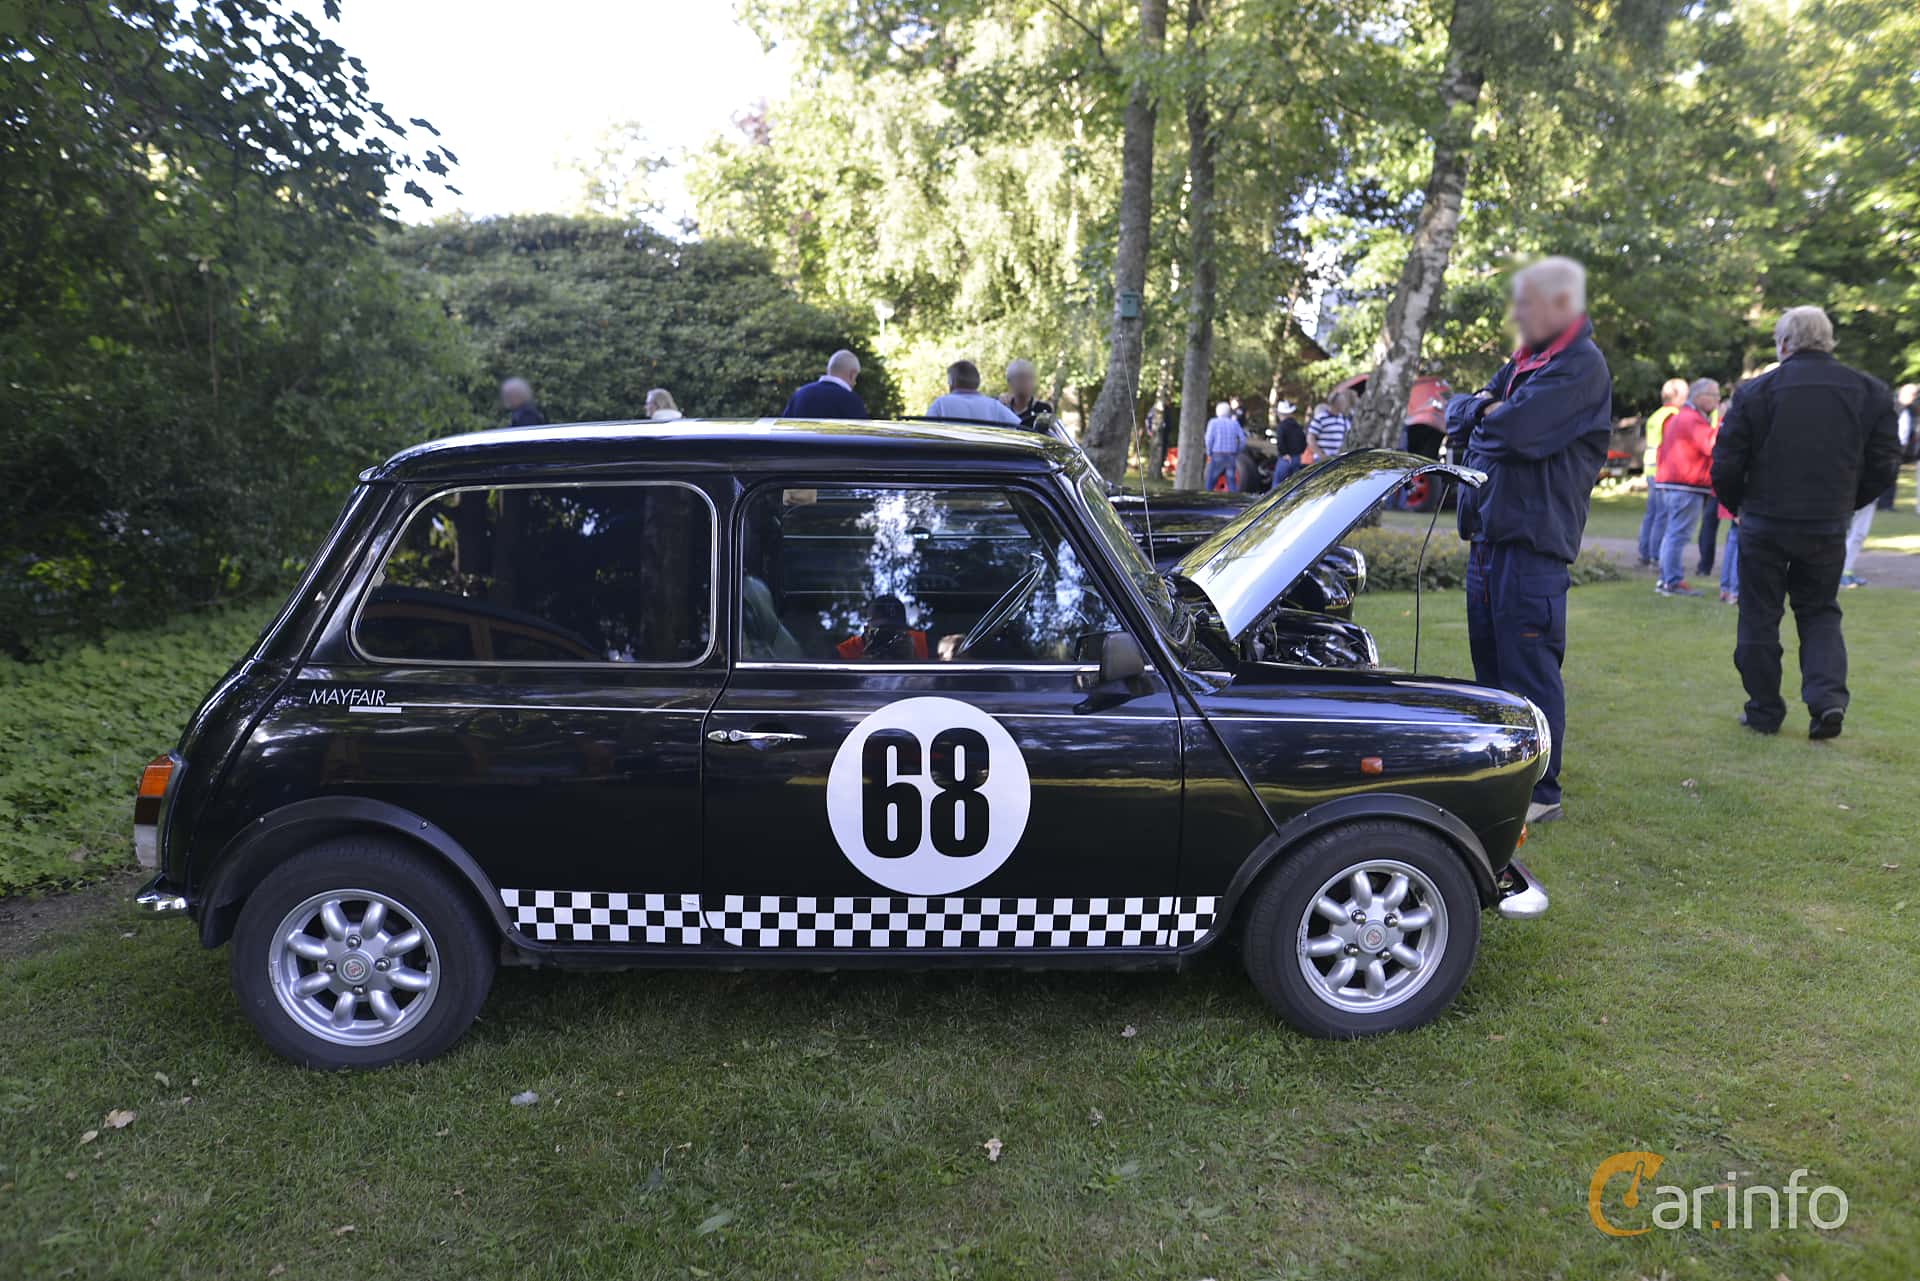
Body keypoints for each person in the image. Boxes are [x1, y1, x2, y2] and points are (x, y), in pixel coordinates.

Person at [1445, 256, 1611, 825]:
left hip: (1532, 544)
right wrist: (1483, 410)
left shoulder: (1579, 365)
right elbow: (1458, 413)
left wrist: (1487, 414)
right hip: (1489, 538)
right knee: (1490, 672)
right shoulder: (1525, 360)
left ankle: (1542, 792)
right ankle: (1501, 776)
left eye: (1525, 303)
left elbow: (1515, 431)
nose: (1516, 314)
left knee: (1529, 671)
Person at [1710, 305, 1900, 739]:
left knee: (1759, 614)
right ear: (1829, 340)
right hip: (1825, 523)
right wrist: (1848, 502)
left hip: (1764, 521)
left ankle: (1763, 709)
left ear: (1783, 344)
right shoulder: (1868, 391)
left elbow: (1726, 462)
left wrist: (1737, 504)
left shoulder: (1757, 392)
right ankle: (1827, 699)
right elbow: (1886, 462)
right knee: (1819, 612)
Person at [1651, 378, 1720, 597]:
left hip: (1674, 483)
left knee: (1673, 533)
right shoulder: (1692, 420)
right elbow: (1712, 445)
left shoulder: (1682, 417)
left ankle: (1667, 579)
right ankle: (1671, 580)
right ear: (1700, 397)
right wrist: (1722, 422)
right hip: (1686, 485)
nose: (1718, 401)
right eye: (1715, 396)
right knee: (1678, 534)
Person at [1636, 378, 1689, 566]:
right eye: (1685, 393)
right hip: (1661, 468)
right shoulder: (1673, 415)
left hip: (1650, 467)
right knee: (1662, 514)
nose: (1687, 397)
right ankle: (1656, 554)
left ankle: (1644, 552)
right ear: (1676, 396)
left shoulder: (1656, 415)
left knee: (1651, 513)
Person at [781, 349, 869, 419]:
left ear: (829, 370)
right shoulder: (851, 401)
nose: (855, 383)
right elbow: (863, 438)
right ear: (852, 374)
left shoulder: (799, 394)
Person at [927, 360, 1021, 424]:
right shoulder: (994, 405)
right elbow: (1020, 427)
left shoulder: (940, 404)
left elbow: (926, 433)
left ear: (951, 382)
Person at [1203, 401, 1246, 491]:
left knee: (1210, 482)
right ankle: (1234, 502)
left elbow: (1209, 439)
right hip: (1231, 455)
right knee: (1231, 482)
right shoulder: (1234, 423)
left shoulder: (1213, 422)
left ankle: (1207, 501)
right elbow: (1242, 440)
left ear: (1217, 411)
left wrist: (1209, 452)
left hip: (1217, 455)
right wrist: (1237, 451)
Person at [1000, 359, 1054, 427]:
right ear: (1009, 382)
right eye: (1021, 377)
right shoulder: (1002, 408)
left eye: (1030, 377)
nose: (1027, 382)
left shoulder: (1043, 410)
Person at [1269, 399, 1307, 490]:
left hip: (1285, 458)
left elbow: (1280, 441)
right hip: (1297, 457)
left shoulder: (1282, 426)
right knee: (1295, 485)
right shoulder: (1297, 425)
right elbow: (1303, 440)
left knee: (1277, 484)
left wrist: (1284, 453)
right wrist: (1299, 452)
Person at [1308, 389, 1355, 460]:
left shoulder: (1343, 419)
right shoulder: (1321, 418)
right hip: (1322, 460)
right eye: (1343, 402)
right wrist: (1321, 455)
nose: (1345, 405)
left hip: (1338, 459)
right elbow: (1310, 438)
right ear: (1336, 404)